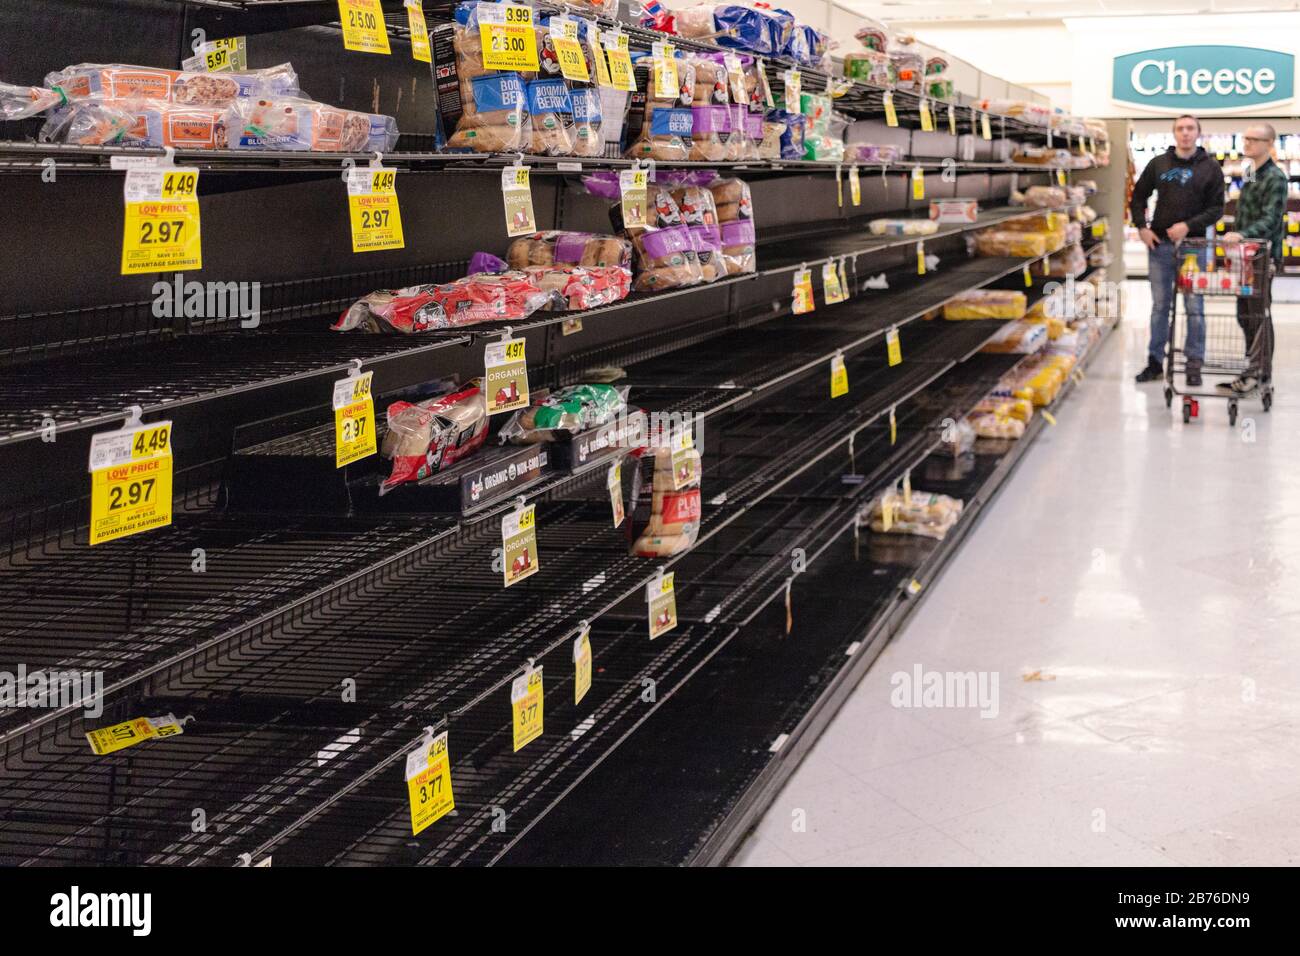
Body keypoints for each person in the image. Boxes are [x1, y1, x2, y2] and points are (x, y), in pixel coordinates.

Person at [1129, 114, 1226, 387]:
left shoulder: (1211, 168)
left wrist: (1188, 225)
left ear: (1198, 132)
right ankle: (1154, 362)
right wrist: (1141, 227)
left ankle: (1194, 363)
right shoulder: (1158, 163)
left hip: (1195, 247)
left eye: (1190, 128)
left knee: (1194, 306)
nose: (1185, 133)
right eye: (1180, 129)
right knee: (1160, 307)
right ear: (1174, 133)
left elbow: (1216, 209)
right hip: (1159, 246)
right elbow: (1138, 197)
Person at [1220, 122, 1286, 394]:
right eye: (1245, 138)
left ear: (1269, 144)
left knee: (1258, 313)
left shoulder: (1276, 177)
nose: (1246, 143)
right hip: (1244, 257)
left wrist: (1243, 235)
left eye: (1254, 140)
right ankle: (1252, 366)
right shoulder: (1250, 172)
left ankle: (1259, 372)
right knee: (1244, 313)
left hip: (1261, 256)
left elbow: (1271, 219)